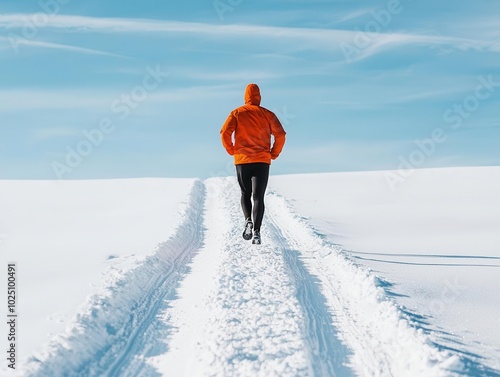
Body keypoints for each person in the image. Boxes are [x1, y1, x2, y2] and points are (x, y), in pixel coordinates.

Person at [220, 83, 286, 244]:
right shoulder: (268, 115)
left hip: (242, 160)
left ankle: (248, 219)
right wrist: (274, 153)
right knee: (258, 197)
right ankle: (256, 231)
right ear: (259, 97)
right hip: (262, 161)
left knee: (245, 194)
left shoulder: (236, 113)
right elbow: (281, 134)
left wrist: (232, 150)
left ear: (245, 97)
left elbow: (224, 132)